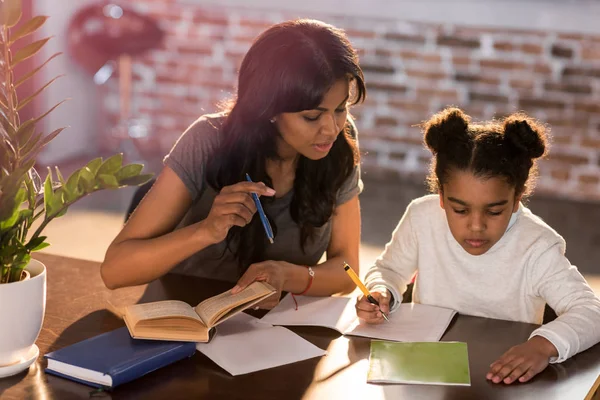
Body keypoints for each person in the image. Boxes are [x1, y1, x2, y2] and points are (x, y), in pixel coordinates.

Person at [100, 19, 366, 308]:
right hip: (183, 317)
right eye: (312, 116)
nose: (331, 128)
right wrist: (205, 230)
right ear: (270, 108)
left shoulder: (340, 142)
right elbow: (115, 271)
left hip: (275, 329)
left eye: (340, 109)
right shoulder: (208, 140)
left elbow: (348, 271)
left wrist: (286, 275)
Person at [356, 107, 600, 384]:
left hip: (500, 375)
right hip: (428, 369)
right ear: (441, 196)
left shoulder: (537, 246)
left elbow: (592, 311)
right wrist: (380, 289)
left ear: (517, 197)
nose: (476, 225)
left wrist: (542, 346)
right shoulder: (422, 217)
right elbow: (388, 269)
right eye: (459, 210)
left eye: (494, 212)